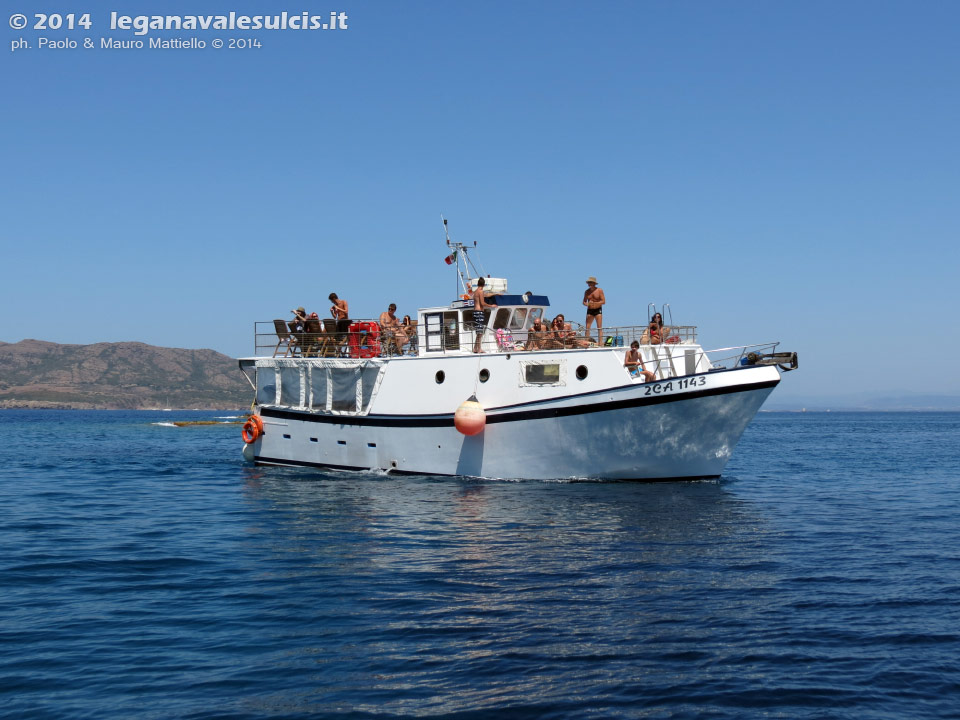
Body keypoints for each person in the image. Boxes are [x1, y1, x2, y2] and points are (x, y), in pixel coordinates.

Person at [582, 277, 605, 345]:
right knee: (587, 327)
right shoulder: (587, 292)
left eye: (591, 282)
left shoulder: (599, 290)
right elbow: (584, 302)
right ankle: (586, 342)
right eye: (589, 282)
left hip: (598, 309)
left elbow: (603, 301)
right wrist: (588, 304)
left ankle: (600, 342)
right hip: (590, 310)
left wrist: (596, 303)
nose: (589, 284)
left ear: (594, 283)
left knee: (599, 327)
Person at [472, 277, 491, 353]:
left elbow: (486, 295)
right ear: (483, 284)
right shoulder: (480, 291)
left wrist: (495, 293)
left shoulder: (476, 291)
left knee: (479, 331)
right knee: (480, 332)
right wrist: (491, 305)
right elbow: (482, 303)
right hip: (479, 312)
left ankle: (475, 348)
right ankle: (479, 348)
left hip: (476, 312)